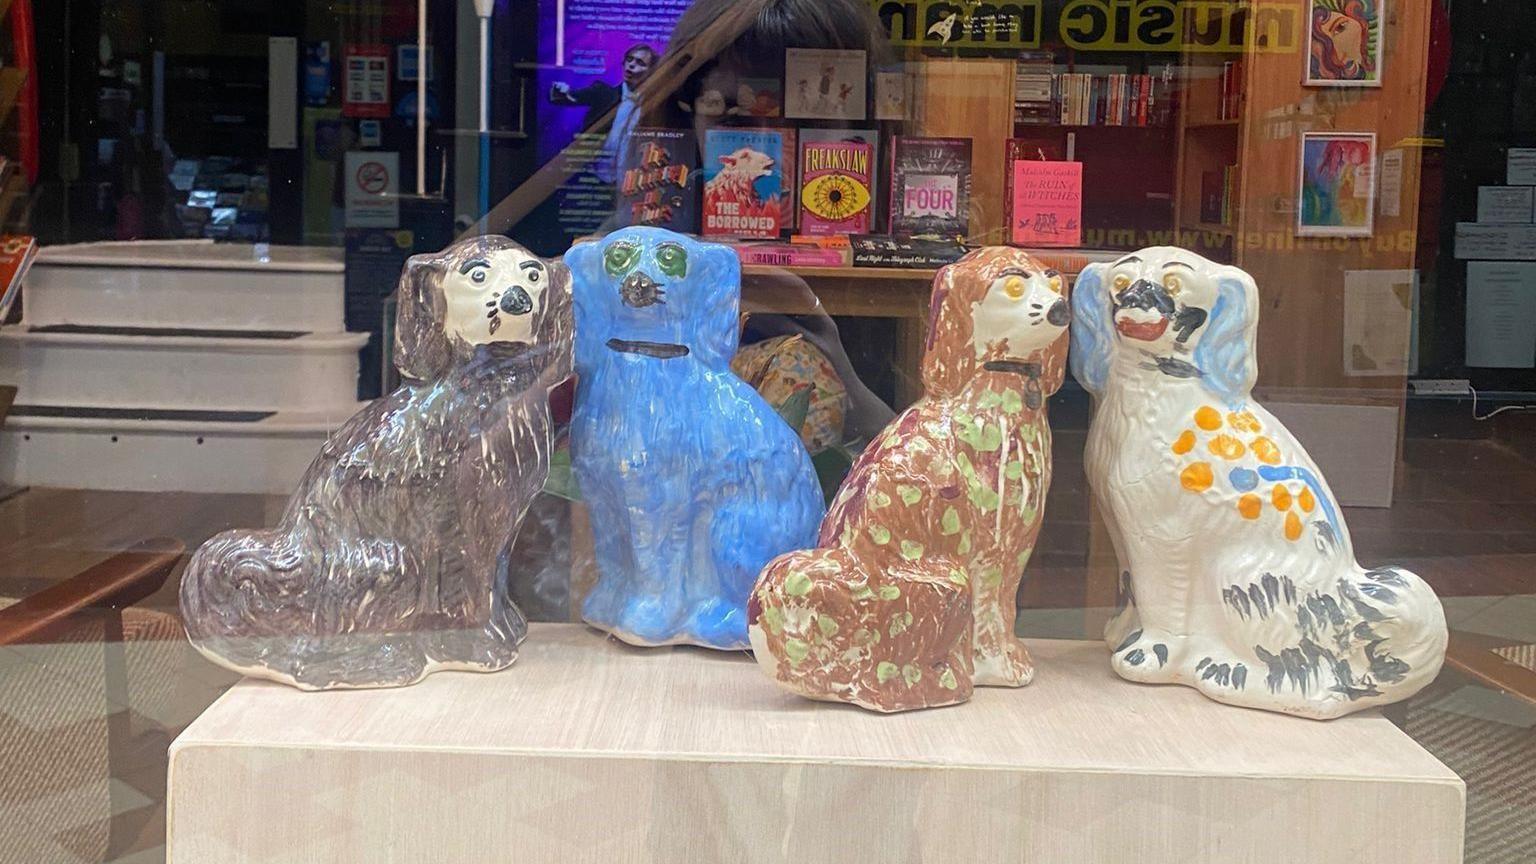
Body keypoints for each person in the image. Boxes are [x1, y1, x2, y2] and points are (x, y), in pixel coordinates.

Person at [549, 43, 658, 183]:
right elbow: (565, 98)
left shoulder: (654, 106)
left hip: (633, 182)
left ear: (651, 71)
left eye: (640, 63)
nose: (631, 65)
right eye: (629, 59)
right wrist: (561, 91)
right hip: (594, 178)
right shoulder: (604, 93)